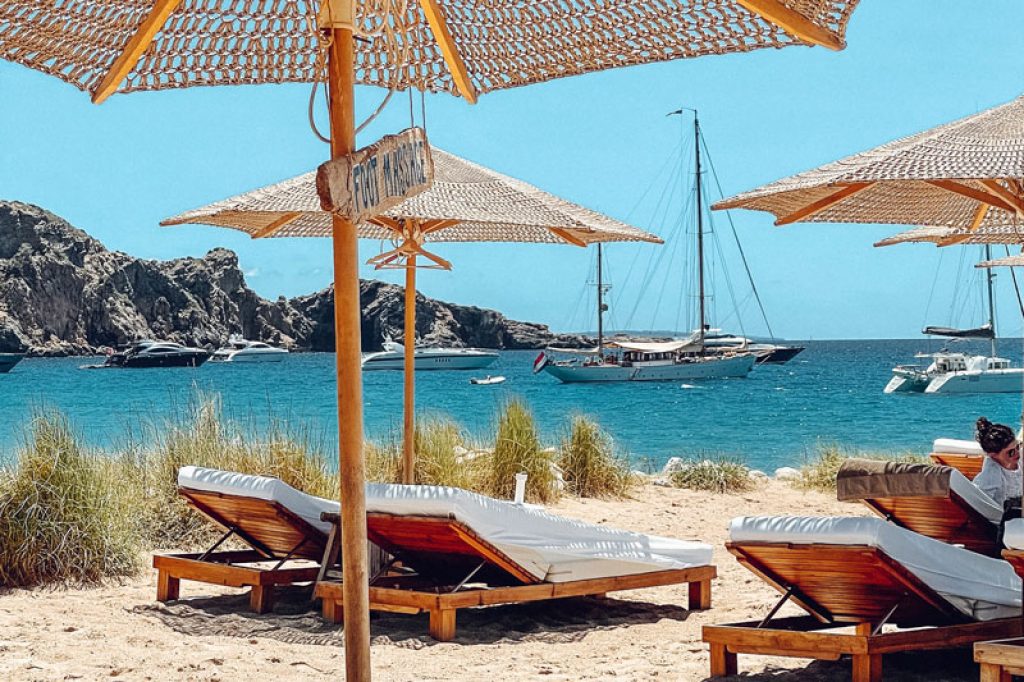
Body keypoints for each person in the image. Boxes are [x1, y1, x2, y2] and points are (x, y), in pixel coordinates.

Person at [974, 417, 1022, 510]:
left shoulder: (1017, 458)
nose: (1017, 453)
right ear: (993, 455)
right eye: (1010, 452)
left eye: (1017, 446)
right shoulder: (989, 477)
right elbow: (980, 506)